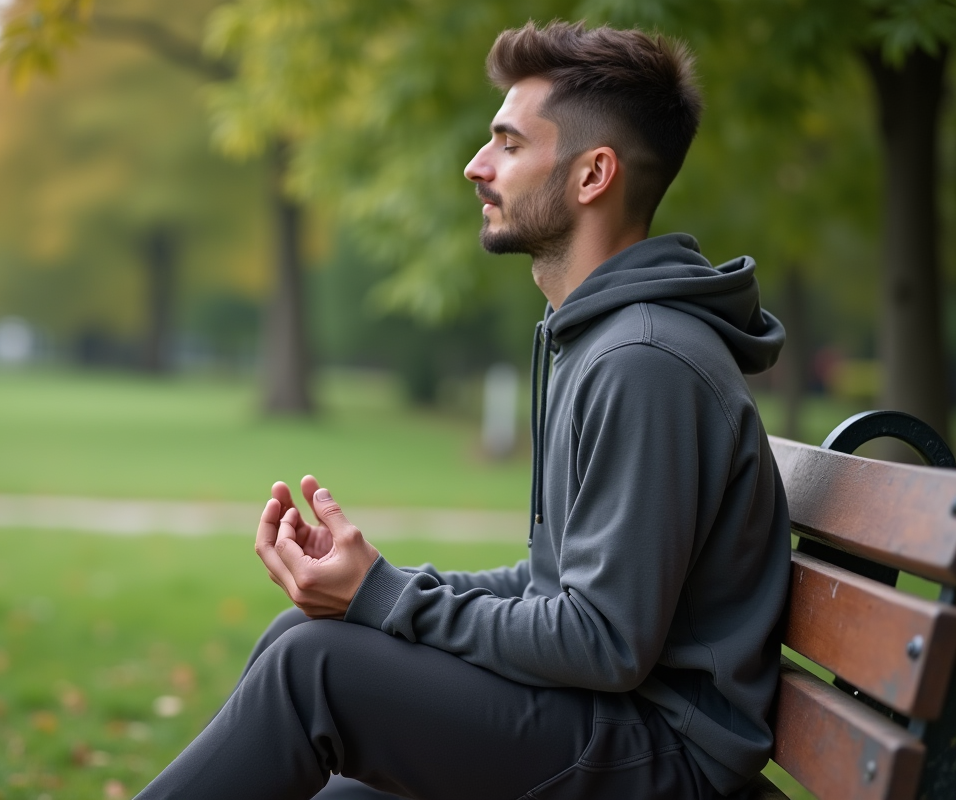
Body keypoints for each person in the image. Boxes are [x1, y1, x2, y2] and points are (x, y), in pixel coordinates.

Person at [134, 19, 788, 800]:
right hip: (610, 728)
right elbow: (557, 588)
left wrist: (381, 598)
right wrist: (375, 586)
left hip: (667, 763)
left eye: (509, 145)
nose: (476, 166)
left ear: (592, 176)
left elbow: (605, 640)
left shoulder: (643, 360)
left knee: (315, 669)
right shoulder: (605, 340)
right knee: (308, 647)